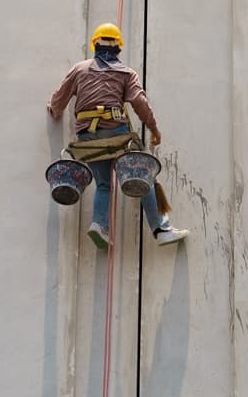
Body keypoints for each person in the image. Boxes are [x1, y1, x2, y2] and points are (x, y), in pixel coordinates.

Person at [47, 22, 188, 249]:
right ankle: (161, 229)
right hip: (116, 133)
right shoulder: (126, 73)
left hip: (86, 137)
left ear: (95, 44)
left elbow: (59, 98)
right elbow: (139, 103)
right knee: (142, 178)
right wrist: (153, 128)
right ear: (118, 48)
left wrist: (54, 111)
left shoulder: (80, 69)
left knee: (104, 184)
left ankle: (99, 225)